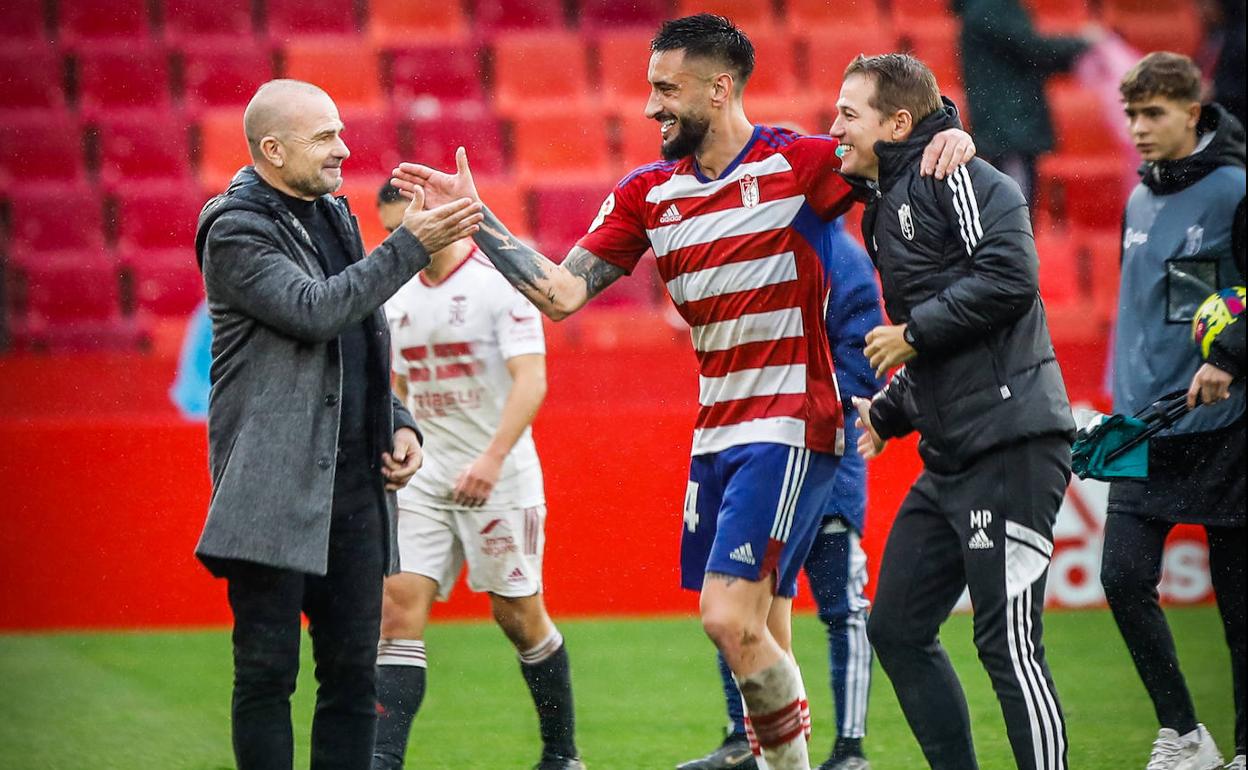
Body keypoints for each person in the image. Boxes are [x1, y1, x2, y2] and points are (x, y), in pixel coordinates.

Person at [391, 15, 974, 770]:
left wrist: (948, 131)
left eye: (665, 90)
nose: (649, 108)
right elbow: (562, 294)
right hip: (716, 434)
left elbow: (890, 139)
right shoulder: (647, 194)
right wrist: (481, 219)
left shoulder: (797, 163)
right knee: (761, 623)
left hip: (790, 422)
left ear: (720, 87)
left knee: (727, 618)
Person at [193, 79, 483, 770]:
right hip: (272, 486)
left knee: (354, 678)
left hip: (354, 486)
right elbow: (316, 310)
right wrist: (411, 246)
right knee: (268, 676)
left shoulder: (334, 212)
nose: (343, 149)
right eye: (324, 137)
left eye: (339, 132)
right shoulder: (234, 227)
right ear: (272, 149)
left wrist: (399, 418)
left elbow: (358, 337)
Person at [831, 54, 1076, 770]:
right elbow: (949, 342)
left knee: (1008, 646)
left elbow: (1010, 280)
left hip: (1011, 441)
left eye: (849, 113)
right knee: (898, 627)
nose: (835, 126)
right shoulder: (886, 198)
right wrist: (892, 411)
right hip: (951, 451)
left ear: (897, 122)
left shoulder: (957, 176)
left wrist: (909, 336)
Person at [369, 182, 583, 770]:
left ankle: (562, 754)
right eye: (390, 234)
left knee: (517, 617)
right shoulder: (395, 297)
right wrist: (402, 438)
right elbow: (398, 388)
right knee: (396, 608)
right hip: (424, 477)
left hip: (501, 475)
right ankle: (383, 760)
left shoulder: (497, 284)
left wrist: (490, 459)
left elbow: (531, 380)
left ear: (439, 220)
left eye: (406, 230)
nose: (399, 244)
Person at [678, 217, 883, 770]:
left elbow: (862, 368)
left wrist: (797, 407)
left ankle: (850, 747)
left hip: (824, 466)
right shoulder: (767, 244)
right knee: (741, 603)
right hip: (761, 458)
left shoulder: (840, 256)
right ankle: (747, 739)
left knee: (841, 610)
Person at [1099, 51, 1245, 770]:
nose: (1139, 128)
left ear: (1194, 112)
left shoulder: (1236, 192)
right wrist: (1114, 397)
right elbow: (1143, 313)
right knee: (1121, 578)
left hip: (1226, 425)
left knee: (1241, 606)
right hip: (1142, 422)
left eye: (1153, 113)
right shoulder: (1138, 196)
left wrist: (1231, 355)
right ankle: (1184, 734)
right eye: (1131, 114)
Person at [953, 0, 1099, 205]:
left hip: (1002, 122)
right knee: (1015, 210)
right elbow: (1032, 49)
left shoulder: (979, 7)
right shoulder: (993, 7)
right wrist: (1083, 44)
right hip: (1011, 124)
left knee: (1009, 205)